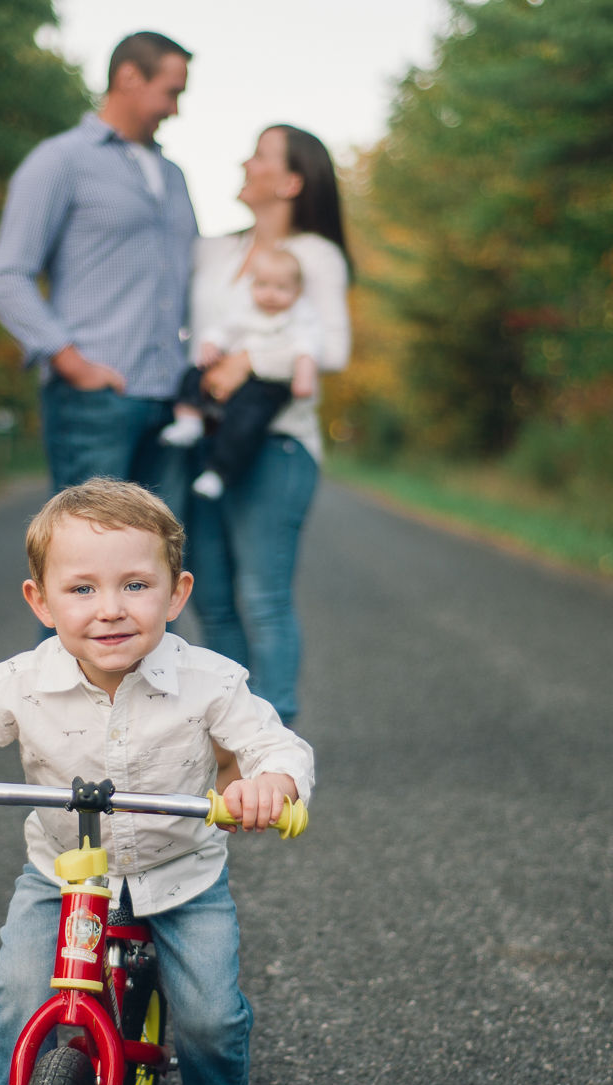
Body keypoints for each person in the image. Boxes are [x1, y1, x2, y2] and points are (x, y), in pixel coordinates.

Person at [0, 479, 314, 1085]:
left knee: (210, 1012)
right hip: (61, 874)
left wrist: (268, 785)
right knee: (20, 993)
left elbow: (274, 745)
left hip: (181, 873)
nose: (111, 609)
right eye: (83, 589)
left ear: (176, 592)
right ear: (40, 601)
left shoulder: (209, 680)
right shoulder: (19, 681)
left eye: (135, 584)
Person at [0, 33, 199, 507]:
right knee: (86, 559)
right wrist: (72, 364)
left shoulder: (174, 176)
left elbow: (194, 277)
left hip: (170, 401)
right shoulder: (60, 160)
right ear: (128, 77)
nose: (176, 109)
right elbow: (7, 276)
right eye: (171, 92)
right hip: (93, 401)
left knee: (156, 565)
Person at [183, 126, 352, 726]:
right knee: (212, 601)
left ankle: (275, 747)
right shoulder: (215, 253)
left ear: (289, 181)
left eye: (259, 154)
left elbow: (331, 349)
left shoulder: (315, 256)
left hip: (277, 446)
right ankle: (231, 739)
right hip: (203, 446)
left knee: (263, 598)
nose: (243, 161)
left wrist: (248, 362)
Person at [160, 247, 323, 501]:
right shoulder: (245, 306)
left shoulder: (300, 316)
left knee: (245, 423)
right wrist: (211, 344)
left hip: (266, 384)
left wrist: (304, 377)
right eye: (262, 285)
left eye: (281, 288)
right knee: (193, 374)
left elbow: (306, 347)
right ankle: (188, 419)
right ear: (252, 285)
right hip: (228, 371)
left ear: (298, 291)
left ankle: (218, 472)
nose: (270, 294)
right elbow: (222, 329)